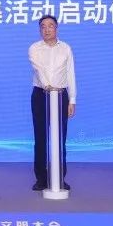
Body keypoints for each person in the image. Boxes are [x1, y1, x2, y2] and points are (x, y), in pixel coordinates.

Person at [28, 15, 76, 191]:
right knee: (40, 138)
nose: (46, 29)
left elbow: (70, 74)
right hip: (41, 95)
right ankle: (41, 179)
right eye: (43, 26)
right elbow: (39, 69)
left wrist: (72, 99)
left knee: (60, 138)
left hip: (61, 95)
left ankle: (59, 177)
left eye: (50, 26)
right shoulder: (34, 48)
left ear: (56, 28)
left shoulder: (66, 48)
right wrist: (48, 86)